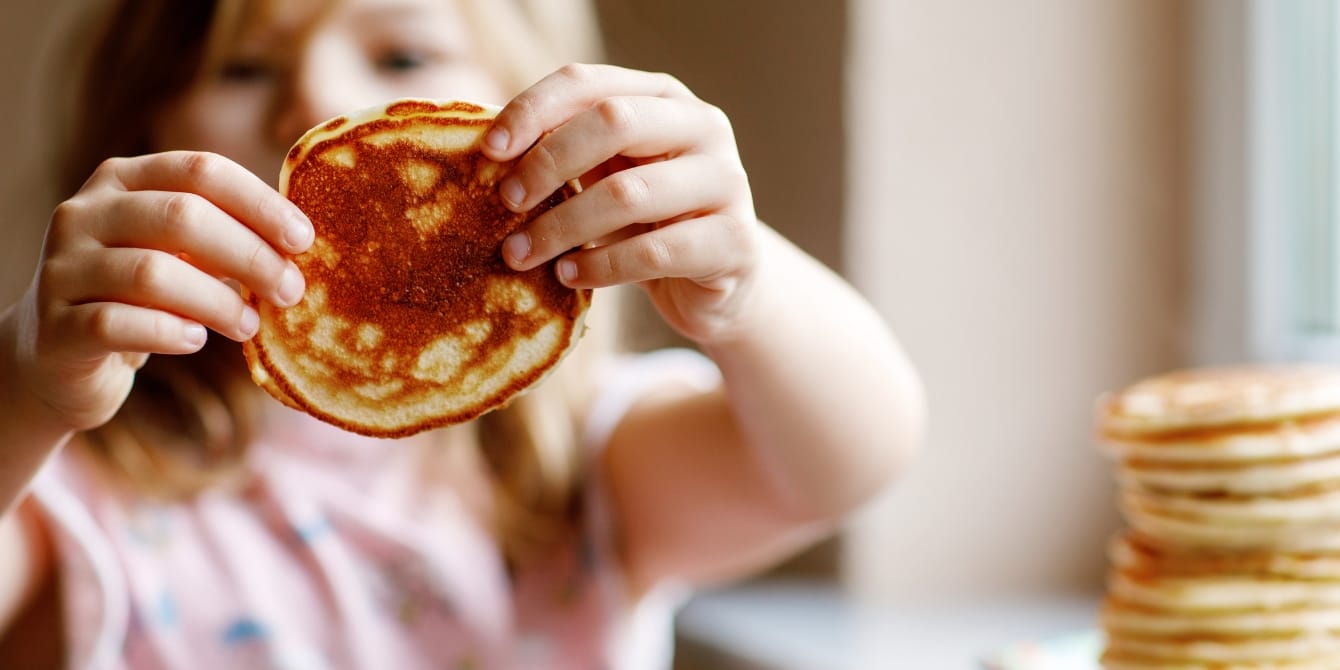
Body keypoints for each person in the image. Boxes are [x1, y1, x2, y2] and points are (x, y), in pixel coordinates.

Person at [0, 0, 925, 668]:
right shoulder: (65, 488)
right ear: (138, 125)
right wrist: (23, 389)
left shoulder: (584, 472)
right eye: (245, 66)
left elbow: (850, 460)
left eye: (402, 56)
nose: (318, 99)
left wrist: (745, 287)